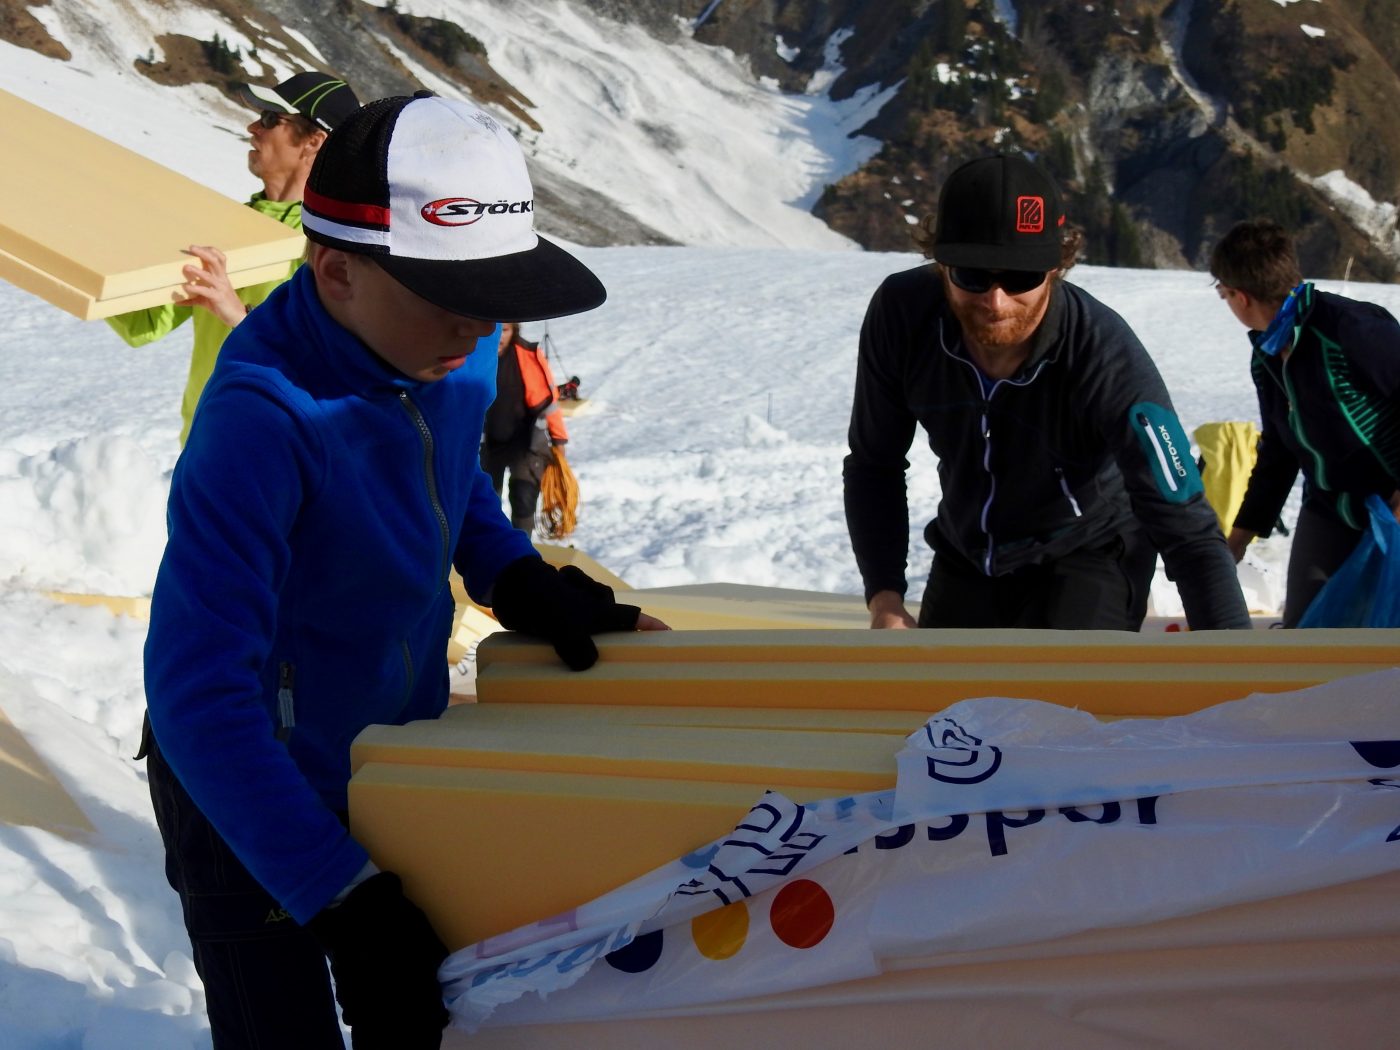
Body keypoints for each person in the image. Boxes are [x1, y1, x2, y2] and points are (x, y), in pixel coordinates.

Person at [141, 92, 668, 1049]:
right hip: (244, 786)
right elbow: (196, 696)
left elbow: (448, 471)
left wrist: (515, 577)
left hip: (386, 757)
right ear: (337, 269)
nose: (478, 333)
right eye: (453, 302)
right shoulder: (262, 419)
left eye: (494, 302)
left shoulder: (450, 350)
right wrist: (341, 898)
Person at [843, 153, 1252, 631]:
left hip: (1090, 550)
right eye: (972, 274)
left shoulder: (1104, 353)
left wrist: (1233, 661)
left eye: (1021, 277)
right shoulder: (903, 315)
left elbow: (1188, 527)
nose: (996, 301)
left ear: (1057, 268)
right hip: (969, 551)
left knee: (1066, 680)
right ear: (939, 264)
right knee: (943, 682)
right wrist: (886, 600)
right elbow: (874, 463)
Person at [107, 70, 360, 444]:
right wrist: (97, 246)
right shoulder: (227, 225)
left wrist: (238, 316)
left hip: (279, 454)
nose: (252, 127)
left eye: (270, 119)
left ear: (314, 142)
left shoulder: (334, 245)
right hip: (203, 444)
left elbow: (335, 370)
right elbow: (144, 324)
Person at [1209, 218, 1400, 627]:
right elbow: (1279, 452)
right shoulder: (1266, 355)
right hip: (1330, 508)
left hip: (1390, 504)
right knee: (1307, 629)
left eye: (1222, 294)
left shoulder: (1350, 328)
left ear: (1240, 297)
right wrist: (1237, 541)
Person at [481, 321, 569, 532]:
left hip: (526, 443)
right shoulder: (476, 356)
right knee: (485, 502)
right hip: (487, 443)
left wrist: (559, 441)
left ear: (514, 330)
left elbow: (549, 402)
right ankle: (490, 547)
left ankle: (522, 547)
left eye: (505, 330)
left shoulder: (529, 355)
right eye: (494, 330)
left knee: (524, 497)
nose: (499, 337)